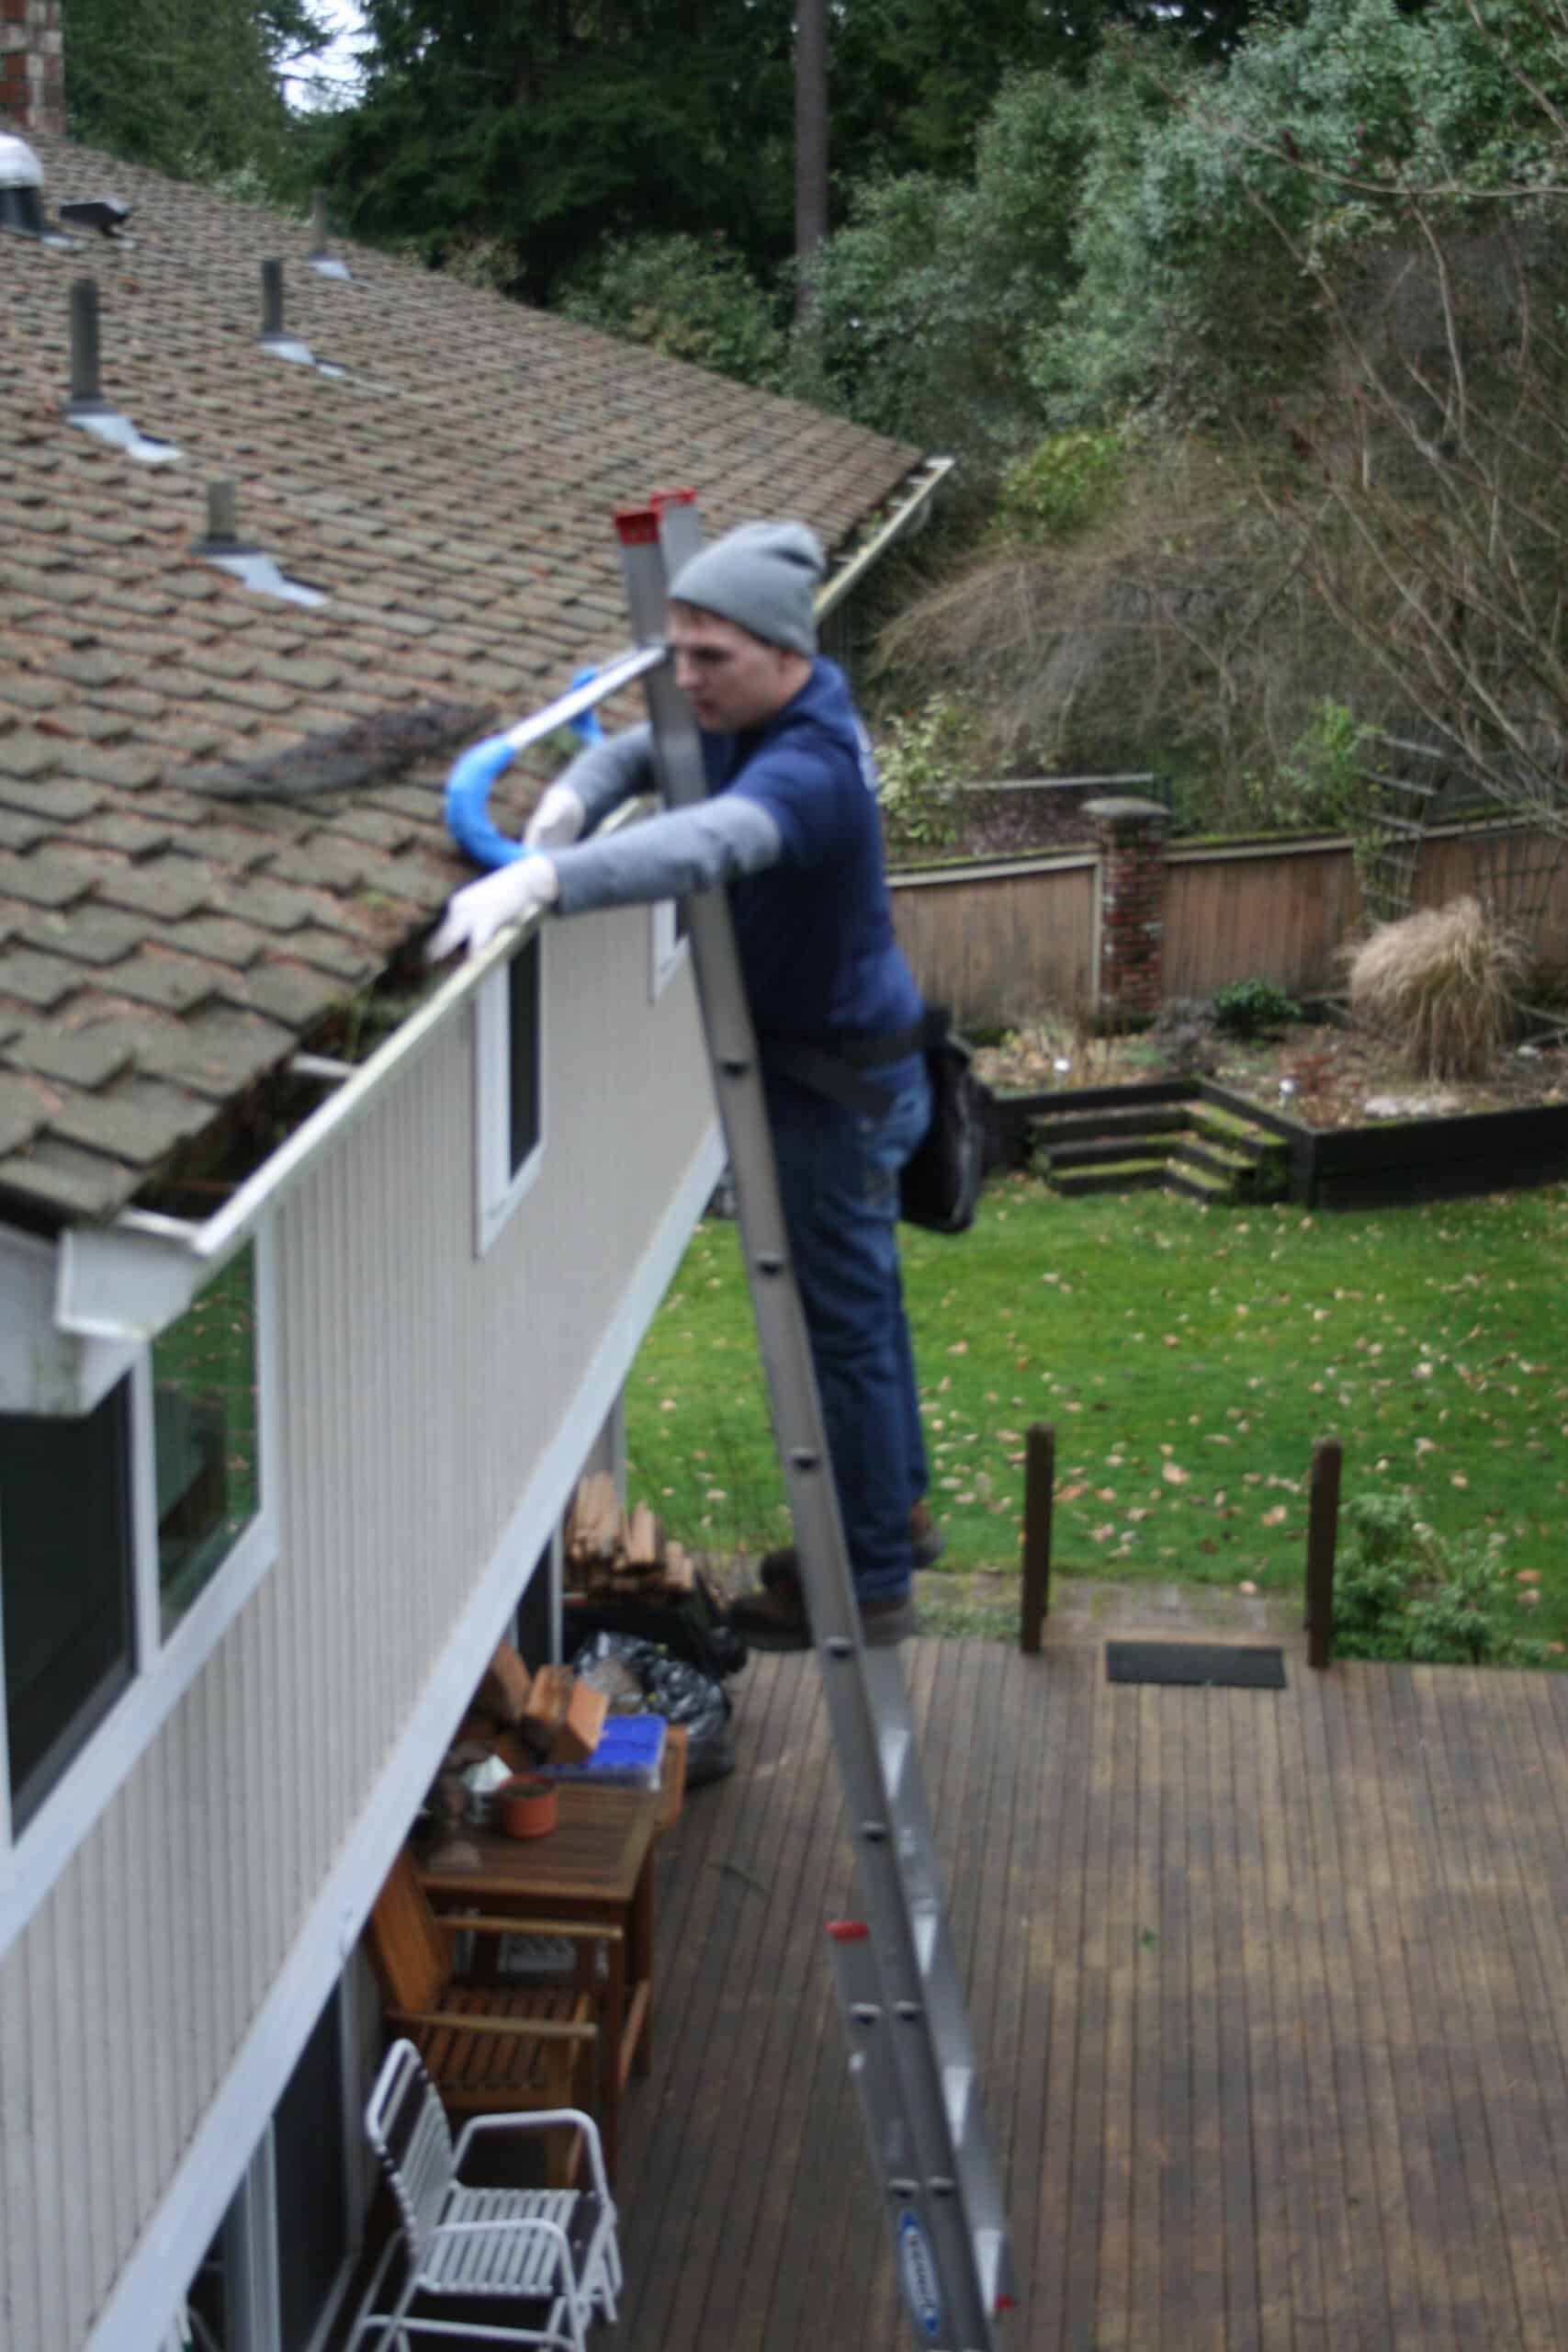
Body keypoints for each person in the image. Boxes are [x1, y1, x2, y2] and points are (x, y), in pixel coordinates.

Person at [428, 520, 936, 1648]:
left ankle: (867, 1577)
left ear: (780, 648)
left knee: (837, 1335)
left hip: (830, 1093)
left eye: (710, 657)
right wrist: (579, 792)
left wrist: (550, 879)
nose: (684, 678)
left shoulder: (804, 773)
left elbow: (705, 843)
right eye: (677, 652)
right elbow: (648, 751)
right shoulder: (774, 711)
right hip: (862, 1064)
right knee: (869, 1314)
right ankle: (894, 1508)